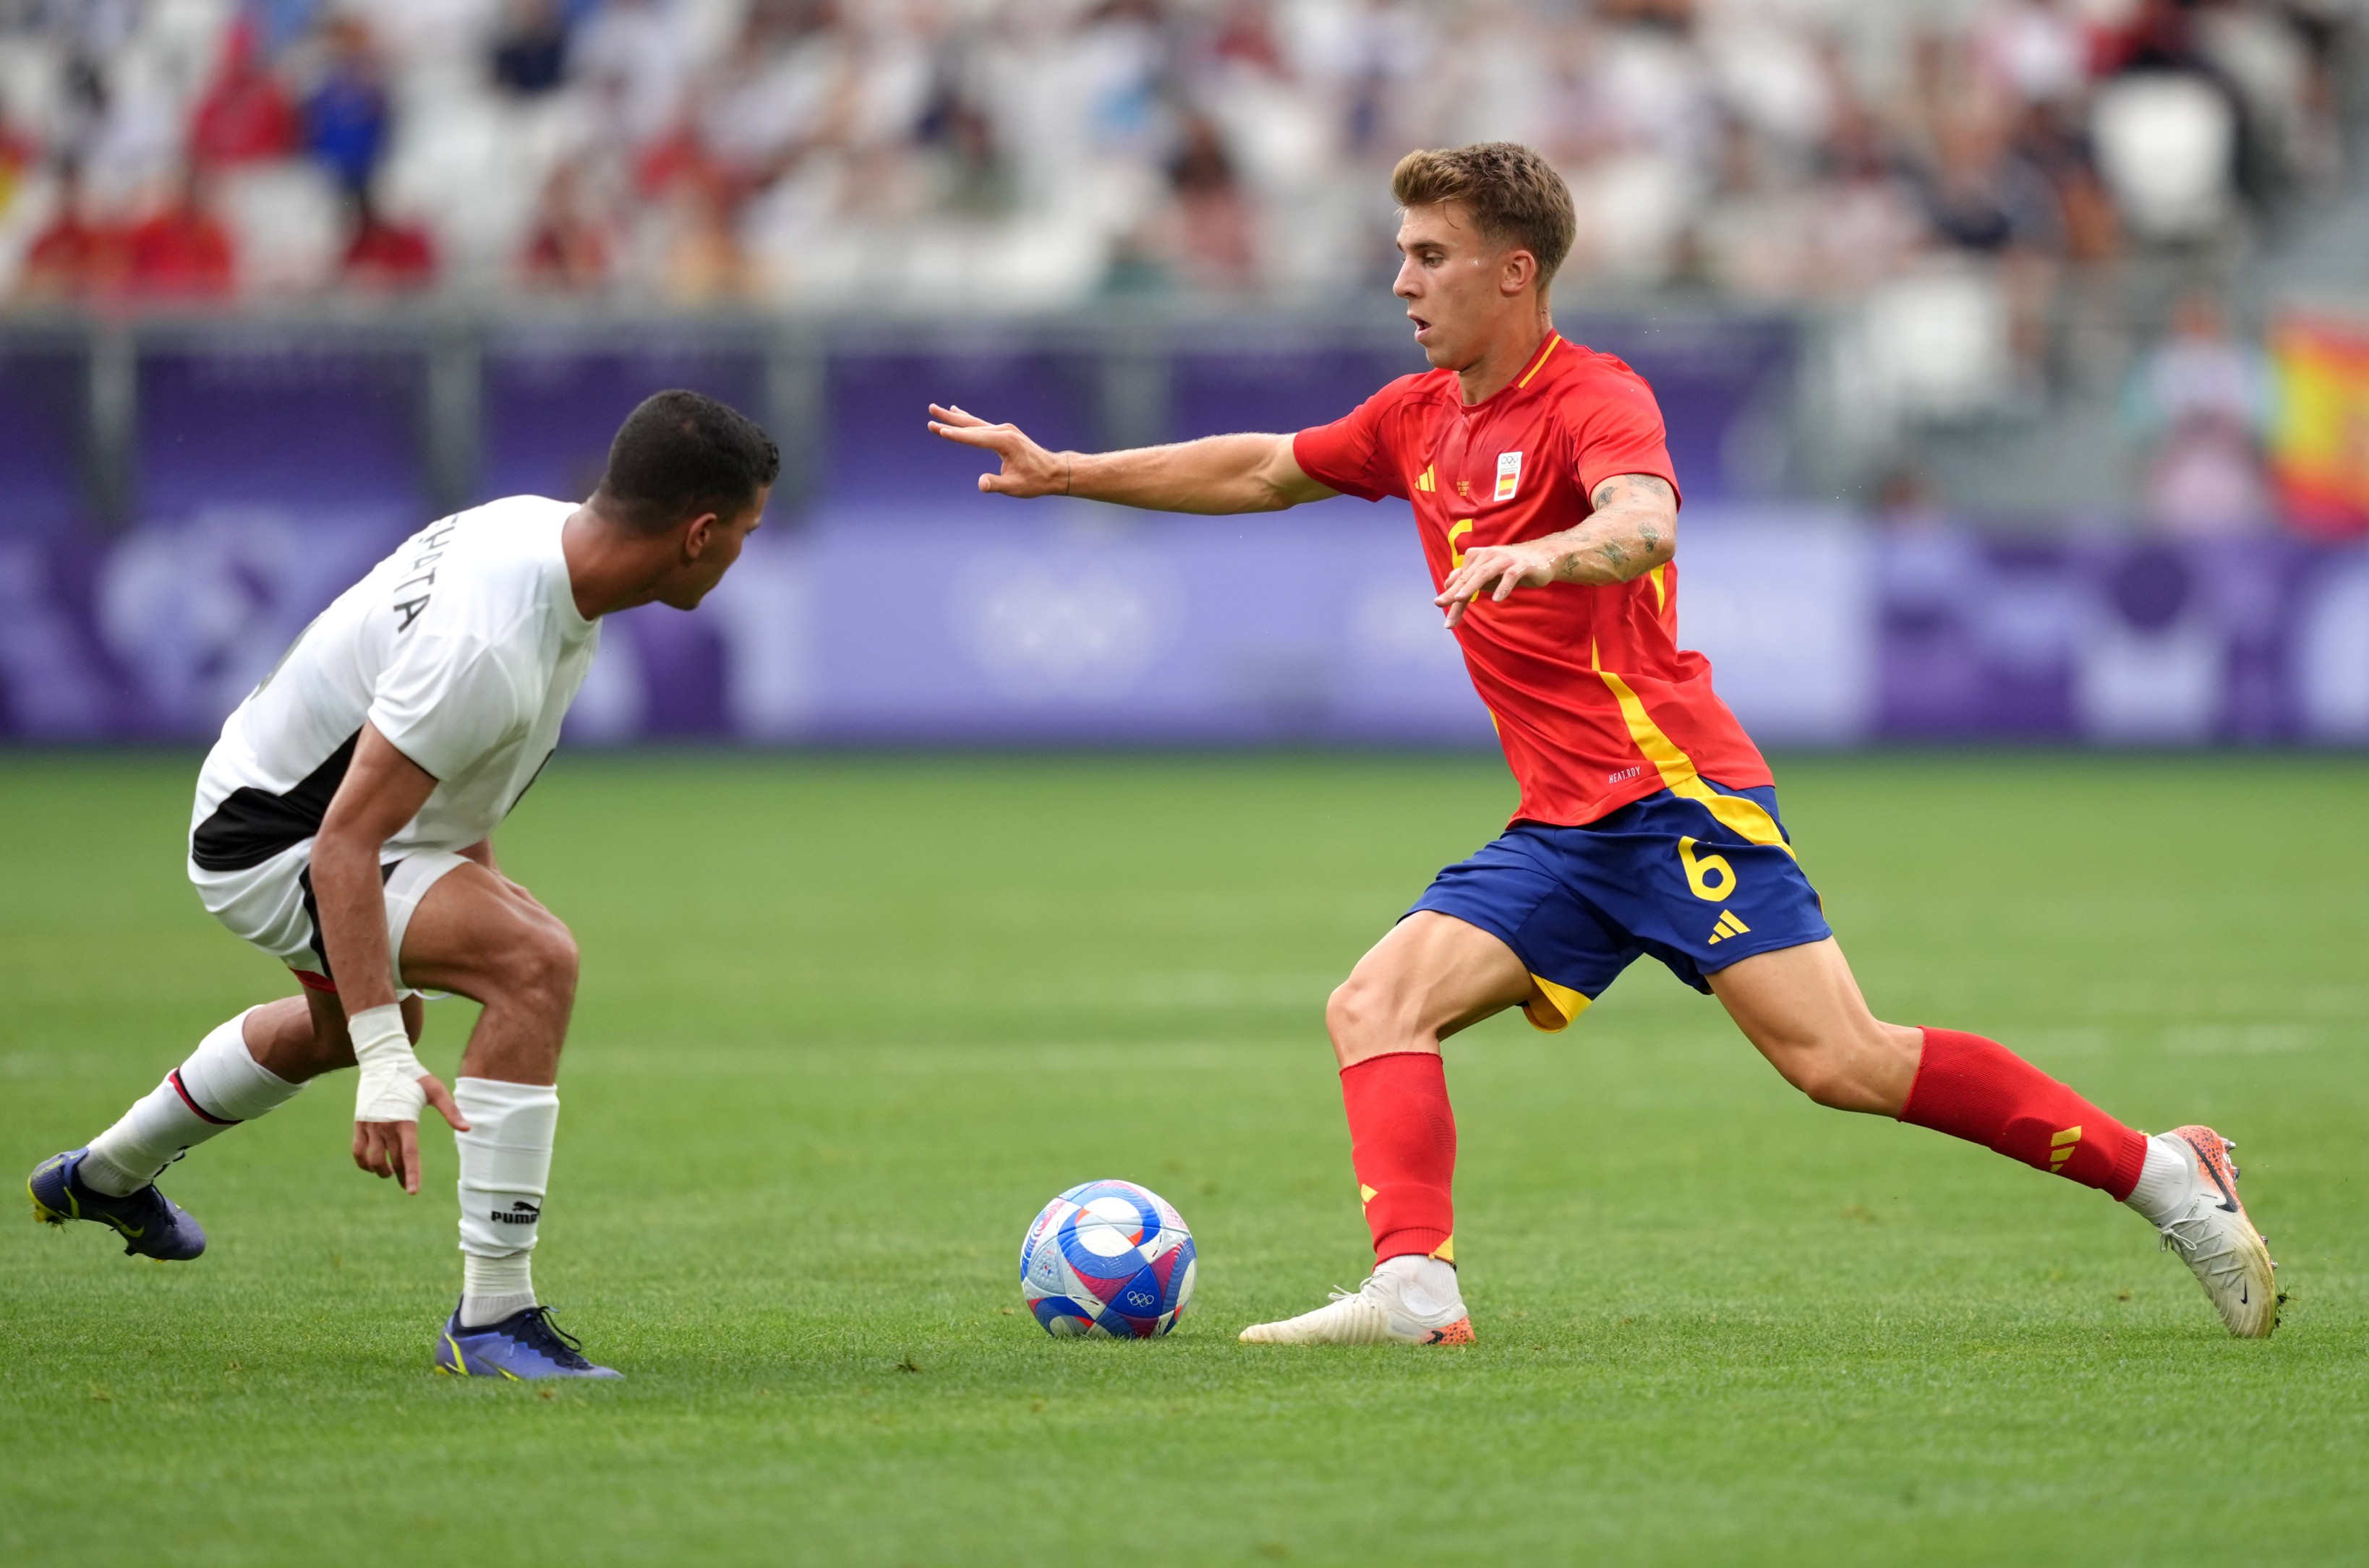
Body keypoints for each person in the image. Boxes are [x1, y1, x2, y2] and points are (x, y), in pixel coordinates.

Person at [929, 142, 2278, 1345]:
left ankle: (2165, 1171)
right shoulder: (1417, 417)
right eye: (1401, 253)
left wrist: (1548, 553)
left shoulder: (1595, 396)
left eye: (1430, 255)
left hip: (1673, 796)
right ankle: (1415, 1289)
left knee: (1841, 1062)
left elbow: (1646, 520)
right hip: (1565, 825)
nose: (1401, 280)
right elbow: (1263, 467)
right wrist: (1072, 472)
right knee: (1375, 1004)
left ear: (1513, 273)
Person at [29, 391, 778, 1379]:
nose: (743, 558)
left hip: (291, 793)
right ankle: (493, 1318)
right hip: (273, 838)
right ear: (698, 534)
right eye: (745, 534)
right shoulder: (491, 641)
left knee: (382, 1009)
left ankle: (102, 1175)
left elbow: (447, 794)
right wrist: (387, 1067)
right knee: (534, 964)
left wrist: (382, 1024)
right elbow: (344, 844)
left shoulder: (543, 548)